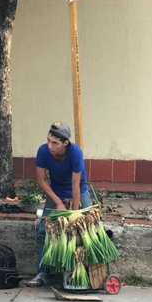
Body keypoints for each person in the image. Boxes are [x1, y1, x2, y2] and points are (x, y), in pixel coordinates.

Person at [27, 120, 92, 287]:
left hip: (78, 189)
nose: (50, 145)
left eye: (54, 143)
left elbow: (76, 184)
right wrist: (58, 202)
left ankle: (85, 272)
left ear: (65, 143)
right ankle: (43, 272)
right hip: (56, 191)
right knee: (44, 230)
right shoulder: (43, 151)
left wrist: (74, 213)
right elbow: (41, 181)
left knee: (86, 229)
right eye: (48, 140)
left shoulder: (75, 152)